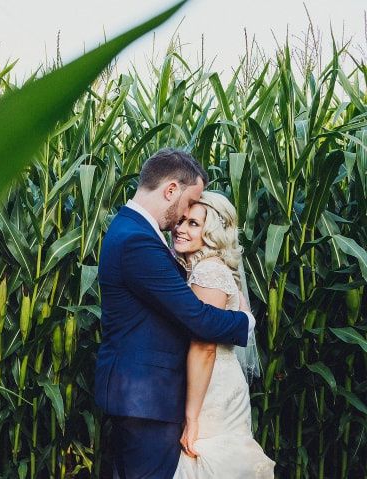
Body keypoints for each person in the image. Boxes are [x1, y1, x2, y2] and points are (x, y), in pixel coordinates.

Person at [94, 148, 255, 478]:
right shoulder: (136, 240)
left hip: (143, 397)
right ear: (170, 190)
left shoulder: (130, 229)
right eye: (187, 203)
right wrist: (246, 321)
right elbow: (197, 317)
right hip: (146, 398)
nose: (184, 214)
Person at [172, 191, 275, 478]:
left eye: (194, 224)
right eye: (181, 221)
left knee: (202, 458)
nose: (180, 229)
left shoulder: (208, 273)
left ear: (212, 233)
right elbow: (244, 319)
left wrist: (191, 418)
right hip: (219, 379)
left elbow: (204, 346)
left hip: (210, 387)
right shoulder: (213, 269)